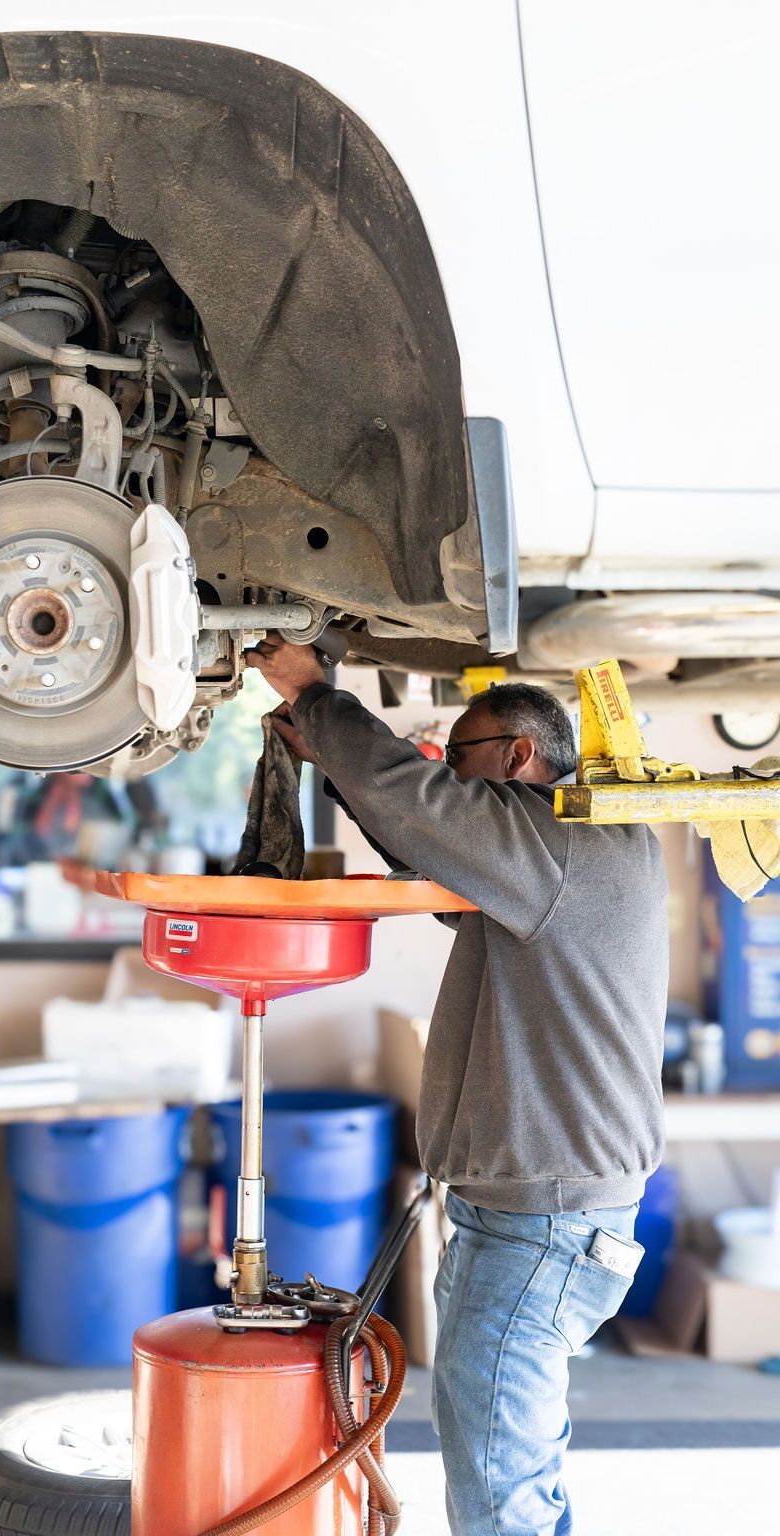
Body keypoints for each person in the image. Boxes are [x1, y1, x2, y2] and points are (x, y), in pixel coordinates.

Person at [245, 634, 668, 1536]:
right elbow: (426, 844)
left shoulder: (556, 844)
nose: (448, 774)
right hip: (533, 1215)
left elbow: (423, 805)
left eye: (460, 759)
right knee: (511, 1467)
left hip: (540, 1226)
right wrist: (332, 763)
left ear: (520, 756)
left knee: (496, 1489)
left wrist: (320, 695)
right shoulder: (546, 860)